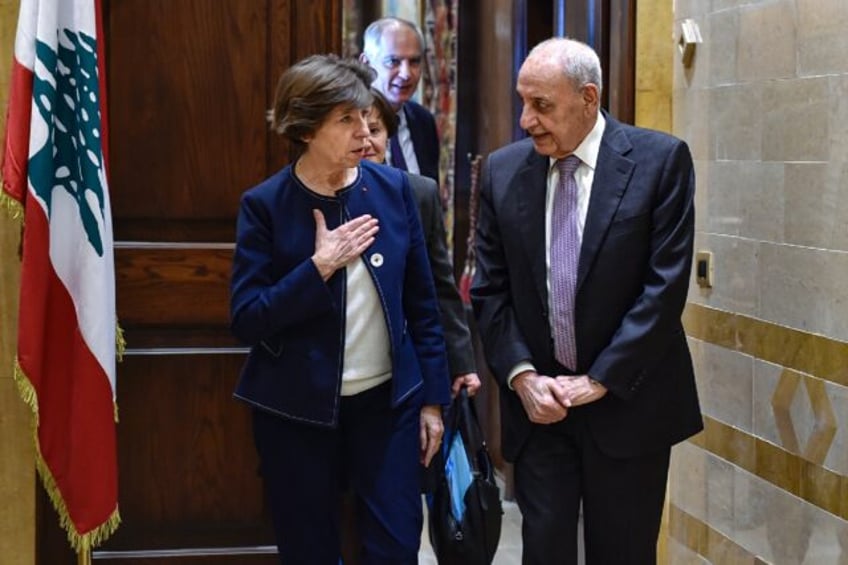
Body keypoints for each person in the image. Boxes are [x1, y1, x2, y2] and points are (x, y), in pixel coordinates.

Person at [471, 37, 703, 564]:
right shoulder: (504, 173)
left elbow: (663, 289)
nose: (526, 119)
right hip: (542, 410)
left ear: (588, 98)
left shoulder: (659, 162)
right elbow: (489, 290)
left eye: (542, 106)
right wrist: (523, 378)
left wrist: (599, 379)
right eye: (522, 102)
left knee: (622, 552)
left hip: (628, 404)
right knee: (545, 550)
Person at [230, 53, 451, 565]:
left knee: (396, 548)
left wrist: (433, 402)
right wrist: (319, 267)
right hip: (295, 413)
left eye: (364, 118)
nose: (364, 132)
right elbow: (248, 317)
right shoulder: (264, 205)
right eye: (346, 119)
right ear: (306, 128)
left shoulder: (395, 191)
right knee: (309, 550)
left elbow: (423, 307)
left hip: (388, 408)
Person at [364, 88, 480, 398]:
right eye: (354, 129)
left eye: (374, 130)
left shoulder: (418, 193)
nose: (365, 141)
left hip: (408, 358)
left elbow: (440, 285)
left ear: (388, 135)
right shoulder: (314, 196)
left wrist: (461, 362)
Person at [360, 17, 440, 182]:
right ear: (366, 64)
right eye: (393, 62)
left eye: (414, 62)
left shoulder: (423, 121)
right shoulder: (351, 126)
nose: (406, 74)